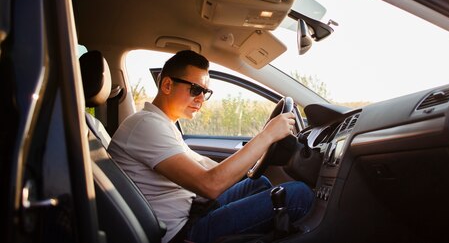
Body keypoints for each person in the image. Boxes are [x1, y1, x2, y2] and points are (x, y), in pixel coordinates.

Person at [108, 50, 314, 243]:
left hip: (193, 210)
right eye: (195, 89)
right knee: (298, 195)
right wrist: (267, 136)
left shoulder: (162, 124)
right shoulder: (146, 125)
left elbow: (205, 165)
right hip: (183, 231)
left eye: (205, 92)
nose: (201, 99)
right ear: (167, 85)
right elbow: (210, 185)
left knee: (258, 183)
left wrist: (255, 153)